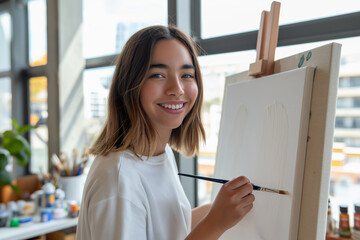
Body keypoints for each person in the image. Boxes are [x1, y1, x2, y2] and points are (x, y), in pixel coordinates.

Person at [76, 25, 255, 240]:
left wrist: (215, 210)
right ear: (130, 85)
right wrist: (214, 224)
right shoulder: (118, 180)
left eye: (187, 75)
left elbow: (165, 226)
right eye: (158, 74)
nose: (177, 88)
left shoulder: (160, 153)